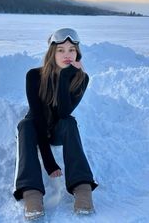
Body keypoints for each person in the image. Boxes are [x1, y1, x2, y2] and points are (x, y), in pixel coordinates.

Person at [13, 28, 98, 220]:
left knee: (69, 122)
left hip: (60, 127)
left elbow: (63, 113)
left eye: (71, 50)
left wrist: (65, 77)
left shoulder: (81, 79)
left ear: (77, 53)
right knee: (25, 125)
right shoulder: (34, 76)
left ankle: (82, 187)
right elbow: (37, 117)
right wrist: (49, 161)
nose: (67, 55)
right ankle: (32, 194)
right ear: (52, 53)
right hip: (36, 126)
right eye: (61, 50)